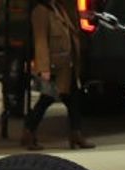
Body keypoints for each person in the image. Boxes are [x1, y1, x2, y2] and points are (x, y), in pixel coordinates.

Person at [22, 0, 94, 151]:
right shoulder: (41, 11)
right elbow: (40, 40)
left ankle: (76, 133)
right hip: (56, 66)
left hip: (66, 64)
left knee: (73, 99)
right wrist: (44, 67)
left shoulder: (58, 7)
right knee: (47, 99)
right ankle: (29, 131)